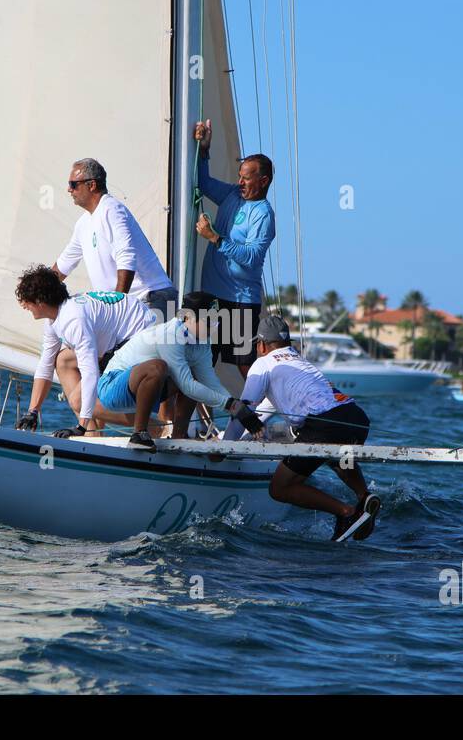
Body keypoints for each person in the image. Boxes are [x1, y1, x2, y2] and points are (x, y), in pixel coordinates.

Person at [223, 315, 381, 542]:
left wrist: (223, 447)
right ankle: (364, 497)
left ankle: (348, 513)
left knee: (279, 488)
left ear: (261, 344)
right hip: (356, 418)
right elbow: (262, 413)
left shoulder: (263, 363)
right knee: (336, 457)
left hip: (326, 425)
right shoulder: (298, 361)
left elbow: (243, 412)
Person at [96, 291, 264, 452]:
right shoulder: (170, 335)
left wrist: (237, 406)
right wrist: (232, 406)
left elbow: (210, 382)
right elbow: (187, 386)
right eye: (209, 322)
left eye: (217, 321)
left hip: (146, 388)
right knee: (158, 367)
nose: (214, 327)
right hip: (112, 386)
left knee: (194, 375)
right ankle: (139, 435)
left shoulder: (203, 343)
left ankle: (178, 438)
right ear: (188, 318)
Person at [14, 265, 155, 437]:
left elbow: (90, 373)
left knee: (77, 401)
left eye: (26, 301)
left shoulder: (74, 320)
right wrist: (32, 411)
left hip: (142, 336)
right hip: (121, 337)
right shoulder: (55, 317)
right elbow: (46, 364)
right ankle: (92, 436)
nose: (23, 305)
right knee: (63, 360)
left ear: (40, 302)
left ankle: (154, 425)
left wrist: (80, 426)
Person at [193, 119, 276, 378]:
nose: (240, 182)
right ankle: (181, 419)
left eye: (246, 178)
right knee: (198, 361)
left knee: (245, 366)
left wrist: (215, 238)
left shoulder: (263, 214)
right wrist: (204, 150)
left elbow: (251, 257)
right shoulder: (232, 194)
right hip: (211, 298)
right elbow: (203, 183)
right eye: (239, 176)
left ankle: (259, 415)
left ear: (262, 181)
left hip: (239, 301)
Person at [52, 158, 178, 318]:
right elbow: (63, 265)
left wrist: (118, 306)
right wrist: (36, 289)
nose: (69, 190)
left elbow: (126, 256)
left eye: (73, 184)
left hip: (151, 299)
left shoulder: (111, 210)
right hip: (130, 304)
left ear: (91, 185)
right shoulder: (83, 223)